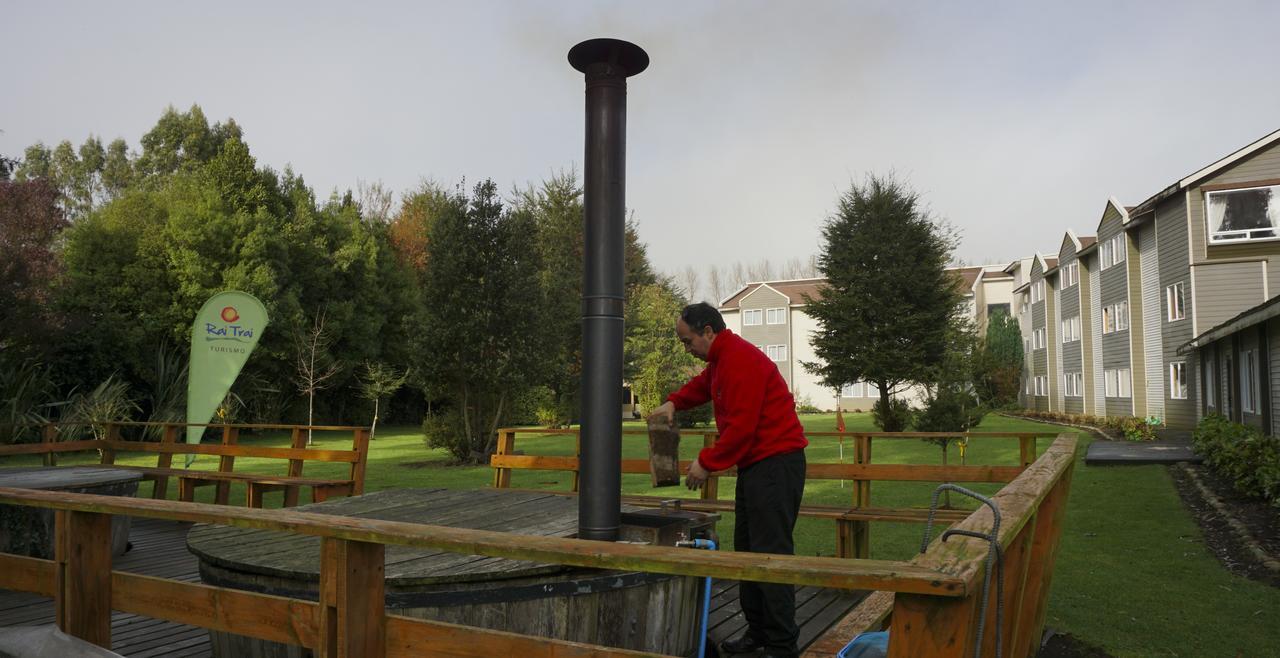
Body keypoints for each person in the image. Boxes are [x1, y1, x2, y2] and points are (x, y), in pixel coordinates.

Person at [648, 302, 808, 658]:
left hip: (777, 466)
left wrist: (706, 463)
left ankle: (782, 646)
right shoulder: (720, 361)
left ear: (708, 331)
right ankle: (758, 633)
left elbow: (741, 429)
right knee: (749, 551)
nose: (686, 348)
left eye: (687, 341)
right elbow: (702, 387)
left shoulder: (739, 360)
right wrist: (674, 402)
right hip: (757, 468)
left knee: (772, 556)